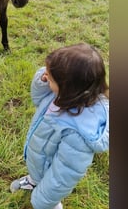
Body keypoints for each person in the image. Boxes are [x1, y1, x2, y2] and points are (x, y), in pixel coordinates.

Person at [10, 43, 109, 209]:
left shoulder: (77, 133)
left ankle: (45, 197)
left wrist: (43, 200)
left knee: (48, 201)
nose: (46, 75)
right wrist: (43, 80)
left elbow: (63, 176)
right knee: (38, 171)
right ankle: (34, 180)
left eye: (51, 77)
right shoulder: (62, 95)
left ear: (68, 87)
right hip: (40, 160)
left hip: (50, 178)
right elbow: (37, 98)